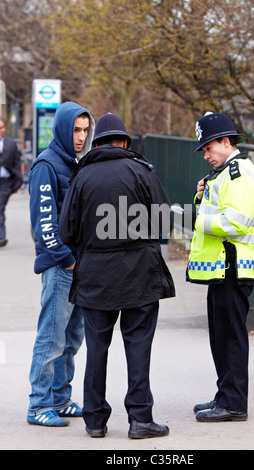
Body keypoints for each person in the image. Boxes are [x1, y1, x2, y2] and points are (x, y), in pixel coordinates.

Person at [59, 113, 175, 439]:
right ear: (125, 142)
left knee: (97, 347)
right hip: (140, 274)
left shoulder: (81, 177)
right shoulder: (141, 171)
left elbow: (66, 231)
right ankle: (140, 419)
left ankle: (94, 420)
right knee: (138, 347)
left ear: (96, 144)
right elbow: (164, 223)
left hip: (96, 275)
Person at [186, 112, 254, 422]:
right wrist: (201, 195)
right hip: (222, 269)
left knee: (230, 338)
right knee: (221, 337)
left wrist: (197, 220)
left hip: (232, 268)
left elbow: (236, 223)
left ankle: (233, 403)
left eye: (208, 148)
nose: (206, 155)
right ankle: (224, 395)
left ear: (225, 142)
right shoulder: (225, 173)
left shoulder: (239, 174)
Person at [27, 101, 95, 427]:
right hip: (59, 266)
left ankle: (61, 399)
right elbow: (44, 224)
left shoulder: (74, 163)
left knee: (71, 338)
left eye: (84, 130)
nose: (80, 137)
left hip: (77, 265)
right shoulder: (47, 165)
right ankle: (39, 405)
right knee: (51, 337)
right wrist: (67, 260)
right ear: (63, 129)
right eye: (75, 130)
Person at [0, 118, 23, 246]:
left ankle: (1, 237)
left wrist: (17, 182)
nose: (2, 130)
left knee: (0, 206)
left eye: (3, 127)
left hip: (6, 182)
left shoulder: (11, 144)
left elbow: (16, 162)